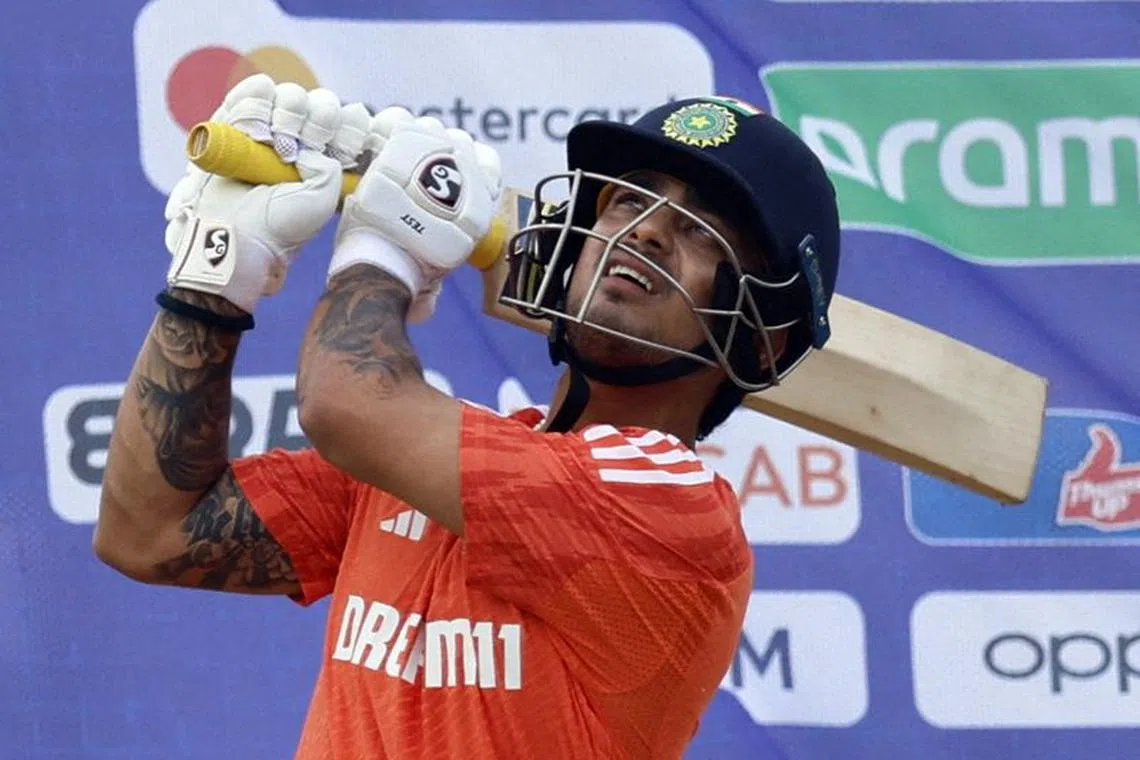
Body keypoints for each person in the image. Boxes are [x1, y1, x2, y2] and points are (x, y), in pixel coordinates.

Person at [94, 73, 840, 759]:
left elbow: (345, 402)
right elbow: (151, 533)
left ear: (760, 334)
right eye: (628, 199)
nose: (645, 232)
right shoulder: (430, 462)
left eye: (702, 232)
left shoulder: (669, 508)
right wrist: (213, 278)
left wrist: (386, 248)